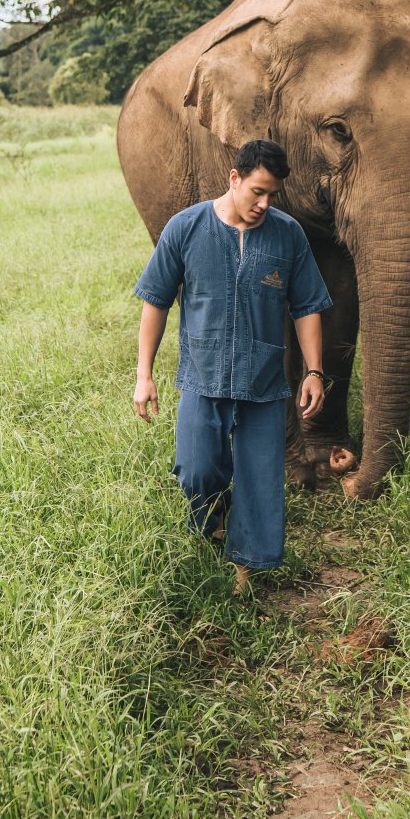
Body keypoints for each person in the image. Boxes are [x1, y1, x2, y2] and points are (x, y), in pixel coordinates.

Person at [132, 138, 333, 594]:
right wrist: (145, 375)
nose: (264, 204)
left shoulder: (288, 235)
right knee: (196, 468)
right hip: (202, 375)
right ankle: (211, 526)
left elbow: (307, 307)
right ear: (234, 178)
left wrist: (314, 371)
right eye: (256, 192)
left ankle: (246, 569)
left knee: (261, 480)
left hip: (263, 380)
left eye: (272, 196)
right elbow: (156, 302)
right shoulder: (185, 228)